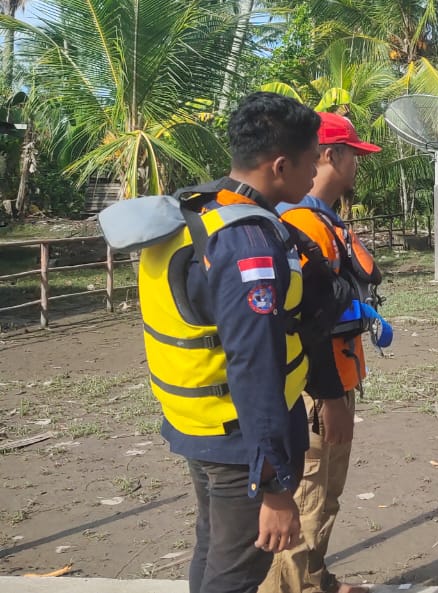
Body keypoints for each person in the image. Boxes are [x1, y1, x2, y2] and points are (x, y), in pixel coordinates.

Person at [97, 92, 321, 593]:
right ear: (280, 165)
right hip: (239, 440)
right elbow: (254, 361)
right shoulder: (246, 241)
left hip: (198, 423)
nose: (314, 174)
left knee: (212, 551)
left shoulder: (198, 212)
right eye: (311, 162)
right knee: (237, 572)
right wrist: (275, 487)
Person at [262, 111, 385, 593]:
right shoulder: (305, 227)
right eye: (354, 155)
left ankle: (315, 578)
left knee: (325, 498)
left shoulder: (324, 221)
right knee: (307, 499)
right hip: (318, 390)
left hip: (337, 382)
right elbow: (306, 325)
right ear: (331, 155)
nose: (358, 166)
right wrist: (330, 397)